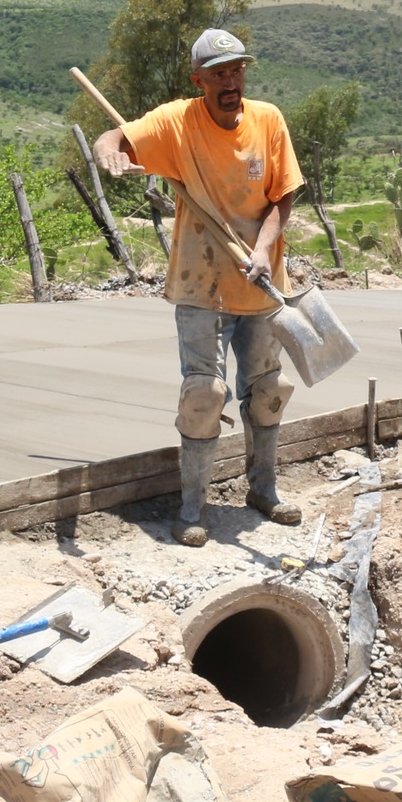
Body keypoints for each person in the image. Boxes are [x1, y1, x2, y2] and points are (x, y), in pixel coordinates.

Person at [95, 28, 306, 547]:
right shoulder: (177, 121)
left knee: (268, 391)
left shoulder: (269, 119)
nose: (230, 81)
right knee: (204, 394)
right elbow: (113, 137)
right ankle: (193, 505)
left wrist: (262, 250)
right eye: (218, 74)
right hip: (199, 282)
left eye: (236, 70)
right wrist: (110, 151)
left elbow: (283, 196)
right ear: (200, 80)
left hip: (261, 281)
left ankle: (264, 489)